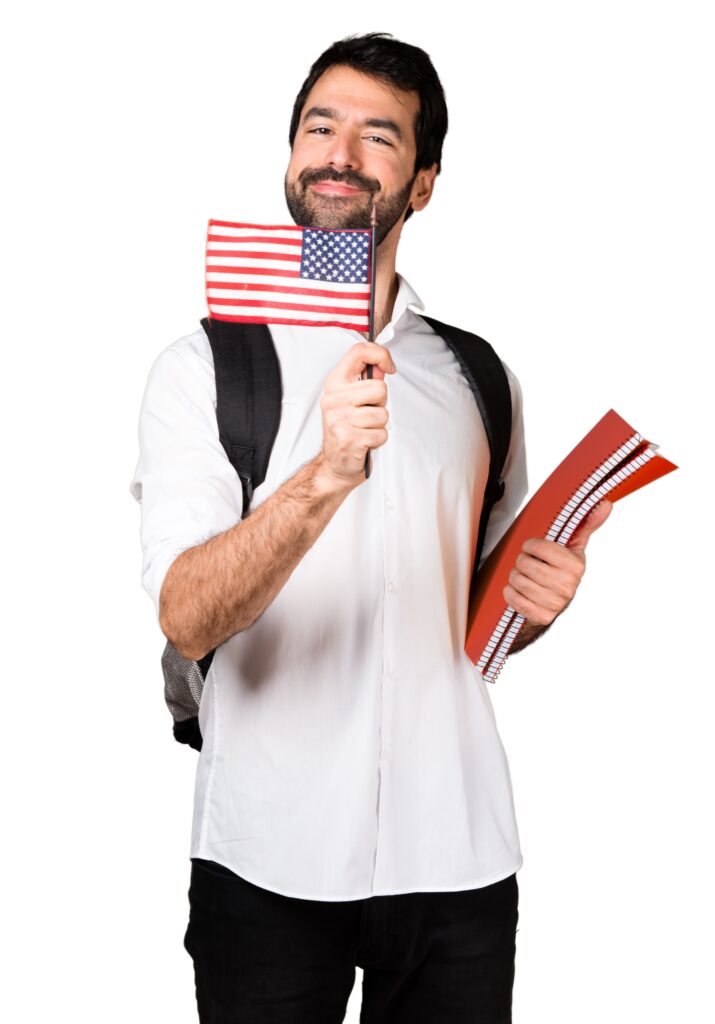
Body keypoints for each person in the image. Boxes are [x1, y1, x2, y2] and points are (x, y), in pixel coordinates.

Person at [129, 31, 611, 1024]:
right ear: (291, 155)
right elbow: (187, 614)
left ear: (422, 182)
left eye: (377, 136)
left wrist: (539, 604)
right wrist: (324, 476)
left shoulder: (475, 377)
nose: (340, 152)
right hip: (268, 861)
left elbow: (478, 623)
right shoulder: (205, 368)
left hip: (457, 859)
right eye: (320, 126)